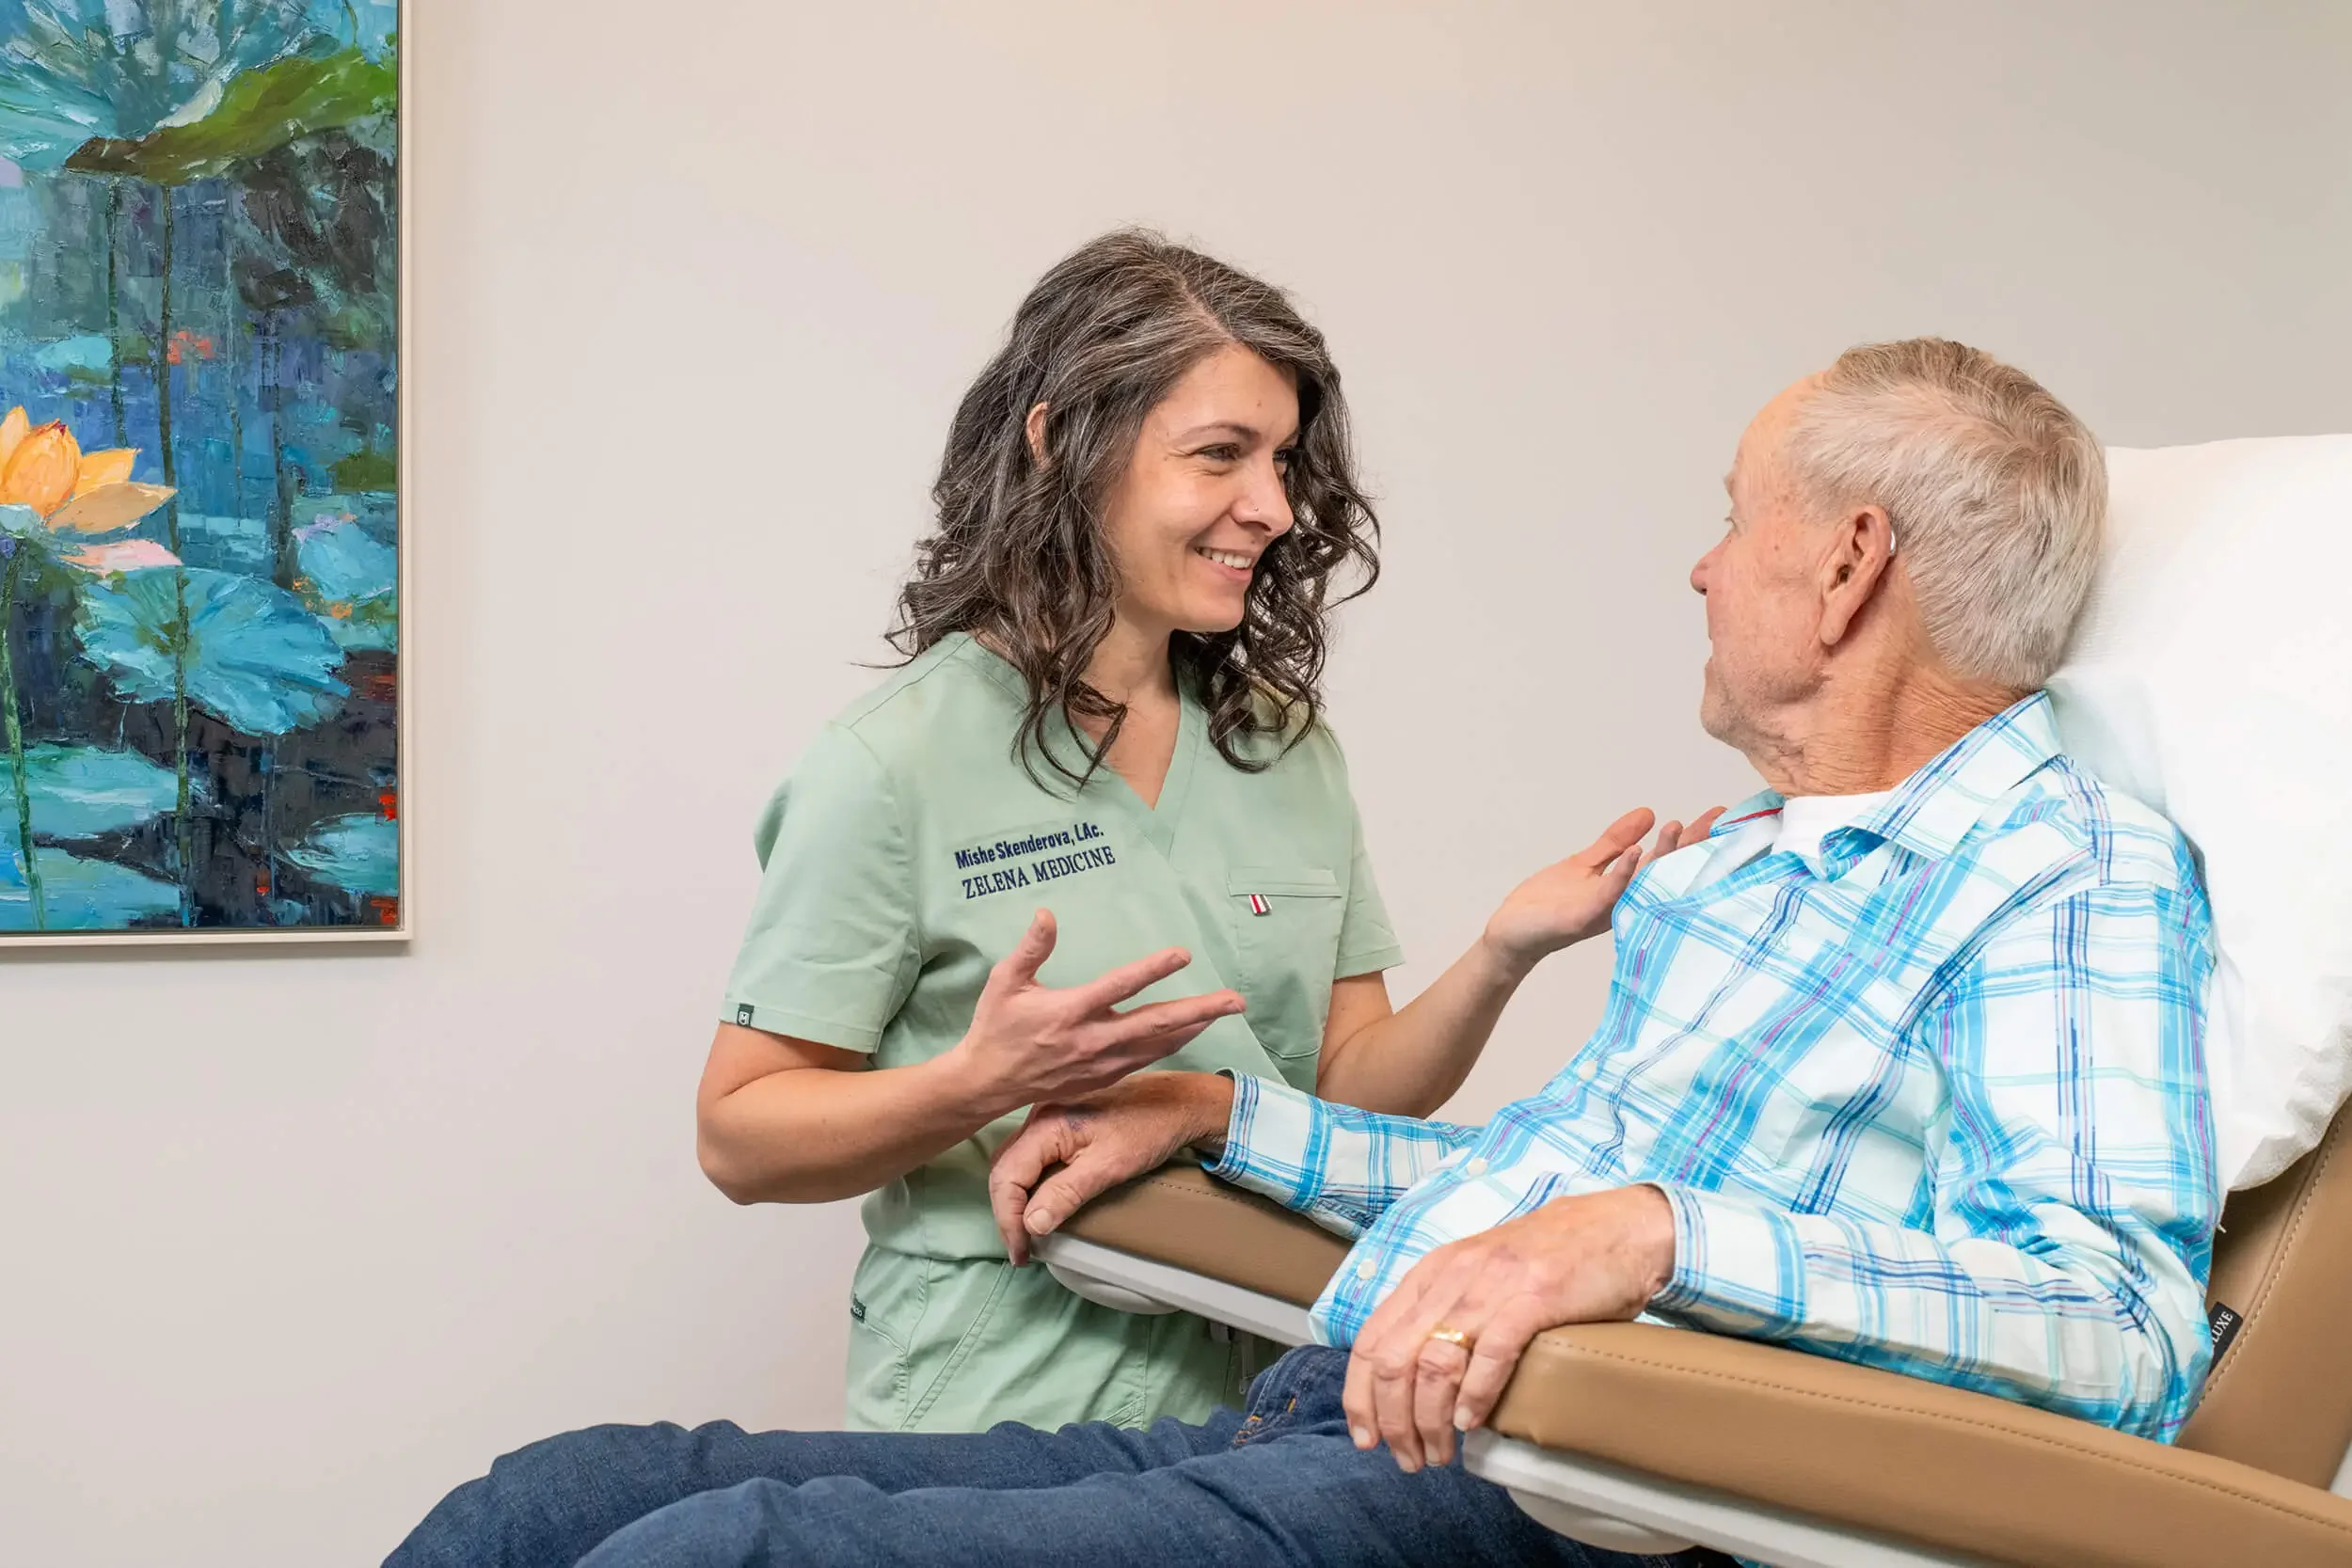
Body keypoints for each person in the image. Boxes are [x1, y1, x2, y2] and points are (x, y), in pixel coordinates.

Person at [390, 338, 2216, 1568]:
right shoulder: (1738, 869)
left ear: (1842, 568)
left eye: (1729, 519)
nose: (1694, 570)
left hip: (1566, 1499)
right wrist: (1221, 1111)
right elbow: (1509, 1194)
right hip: (1335, 1413)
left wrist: (1645, 1230)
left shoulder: (2065, 869)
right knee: (557, 1497)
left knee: (710, 1558)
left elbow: (2116, 1321)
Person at [693, 229, 1716, 1435]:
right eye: (1220, 454)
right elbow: (741, 1134)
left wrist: (1505, 950)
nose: (1272, 506)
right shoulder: (891, 763)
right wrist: (981, 1081)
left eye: (1281, 459)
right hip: (1000, 1404)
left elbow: (1340, 1087)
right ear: (1060, 445)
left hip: (1266, 1385)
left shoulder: (1280, 746)